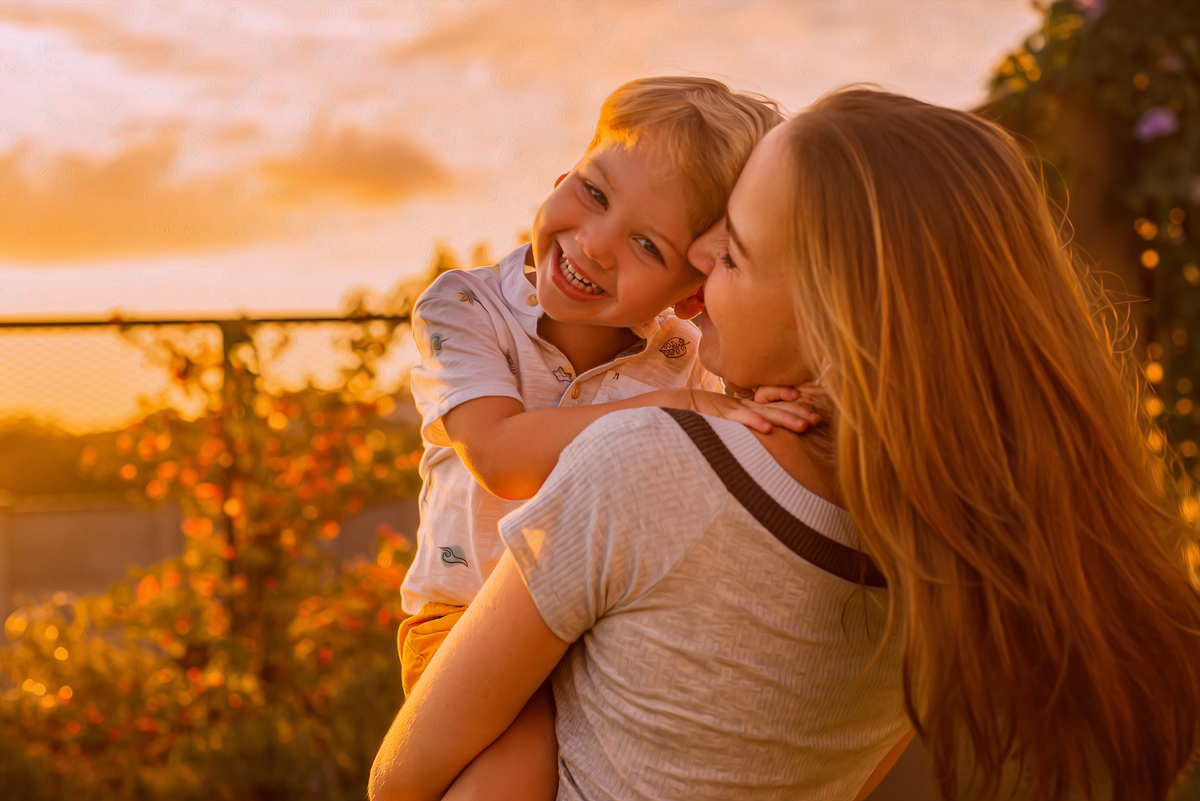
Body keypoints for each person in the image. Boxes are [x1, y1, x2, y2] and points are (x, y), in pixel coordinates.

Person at [374, 88, 1200, 801]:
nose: (697, 266)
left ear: (831, 319)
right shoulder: (939, 551)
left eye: (728, 250)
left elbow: (400, 779)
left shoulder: (641, 468)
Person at [395, 77, 815, 798]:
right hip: (466, 620)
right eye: (593, 193)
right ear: (564, 175)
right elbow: (501, 457)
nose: (593, 245)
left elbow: (739, 432)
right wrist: (674, 406)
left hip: (602, 626)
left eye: (647, 243)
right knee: (515, 774)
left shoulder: (687, 352)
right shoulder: (465, 308)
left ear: (691, 291)